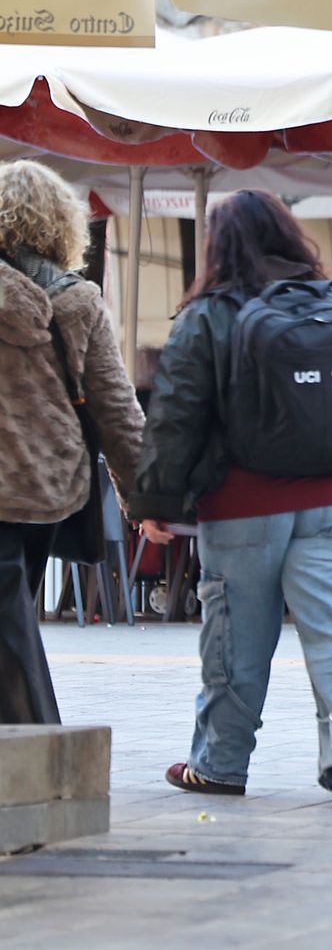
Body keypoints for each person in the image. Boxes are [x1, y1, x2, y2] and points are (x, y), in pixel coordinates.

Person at [130, 190, 332, 806]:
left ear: (218, 247)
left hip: (242, 502)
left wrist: (153, 498)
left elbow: (175, 414)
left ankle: (220, 764)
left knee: (235, 639)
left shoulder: (207, 315)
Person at [0, 161, 145, 725]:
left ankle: (36, 741)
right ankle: (36, 738)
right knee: (13, 615)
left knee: (10, 623)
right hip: (47, 487)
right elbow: (116, 409)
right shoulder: (78, 300)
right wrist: (145, 500)